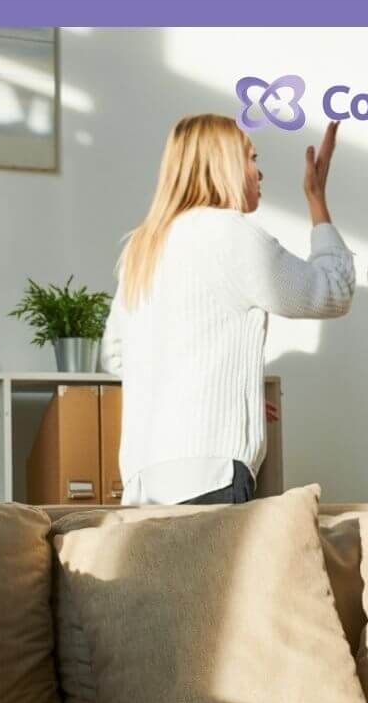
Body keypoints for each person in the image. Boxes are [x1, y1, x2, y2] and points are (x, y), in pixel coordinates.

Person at [102, 113, 354, 506]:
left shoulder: (143, 246)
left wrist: (230, 390)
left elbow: (115, 356)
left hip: (143, 480)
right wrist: (316, 198)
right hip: (210, 476)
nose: (259, 172)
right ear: (224, 163)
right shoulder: (230, 232)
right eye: (252, 158)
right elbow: (333, 291)